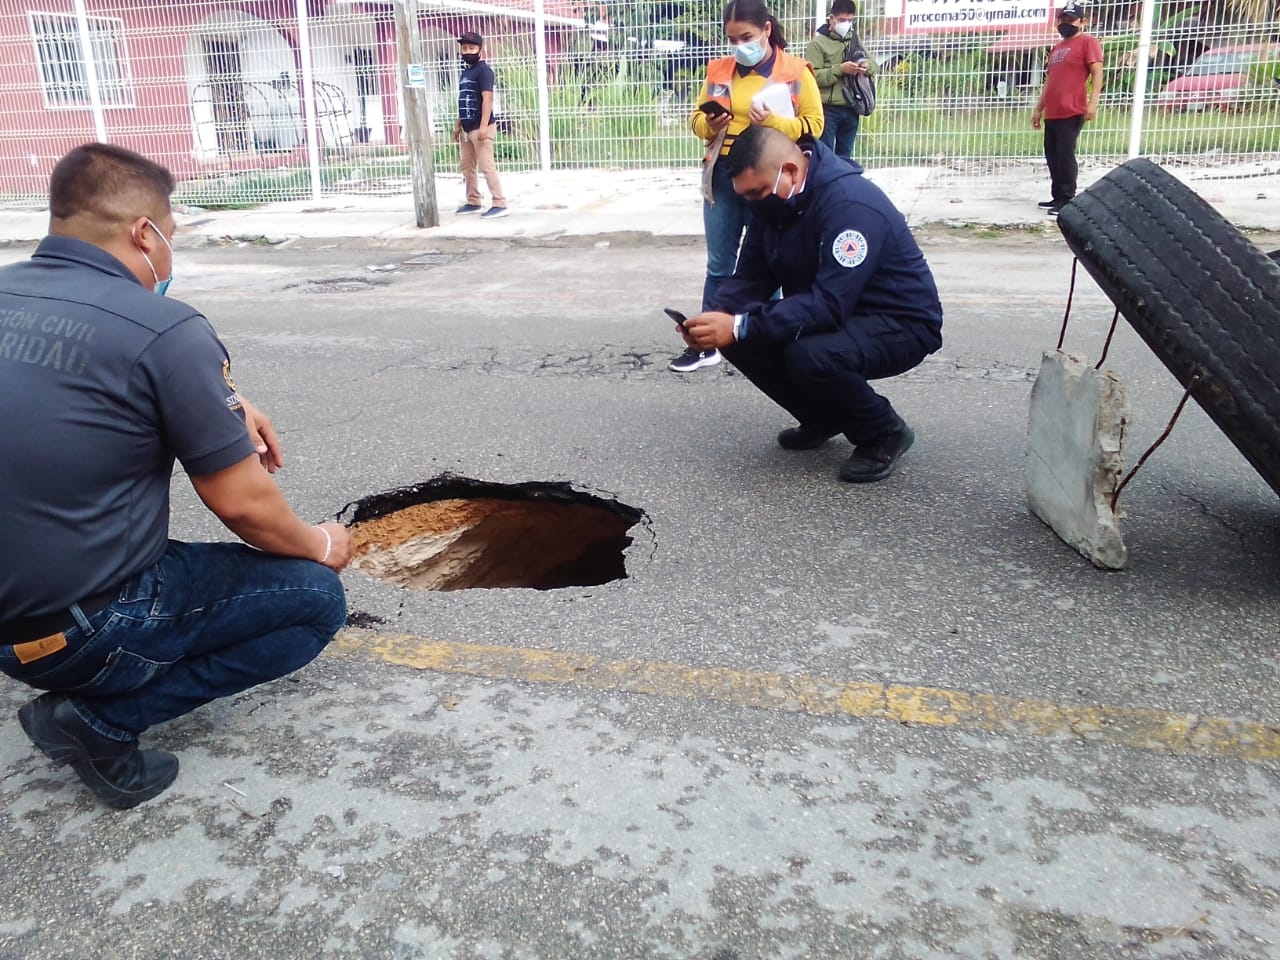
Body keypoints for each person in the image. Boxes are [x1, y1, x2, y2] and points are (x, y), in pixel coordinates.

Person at [0, 143, 354, 809]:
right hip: (79, 632)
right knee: (314, 600)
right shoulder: (163, 328)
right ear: (144, 233)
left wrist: (226, 401)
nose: (169, 257)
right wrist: (321, 545)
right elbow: (243, 503)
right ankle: (99, 723)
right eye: (170, 238)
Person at [678, 126, 943, 483]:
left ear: (789, 171)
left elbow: (830, 304)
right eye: (746, 196)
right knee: (736, 338)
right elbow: (752, 276)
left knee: (811, 354)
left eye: (756, 192)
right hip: (836, 311)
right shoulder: (771, 203)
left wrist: (740, 324)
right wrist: (716, 318)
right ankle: (824, 416)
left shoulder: (850, 205)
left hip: (899, 323)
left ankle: (884, 432)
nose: (751, 203)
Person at [672, 0, 824, 374]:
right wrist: (711, 124)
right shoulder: (720, 70)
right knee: (720, 263)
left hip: (768, 177)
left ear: (767, 30)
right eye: (732, 39)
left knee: (770, 262)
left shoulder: (795, 71)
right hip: (724, 174)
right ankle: (707, 343)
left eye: (747, 37)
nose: (740, 46)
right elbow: (695, 119)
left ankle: (764, 335)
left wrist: (774, 122)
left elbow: (815, 126)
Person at [1031, 2, 1103, 217]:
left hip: (1072, 109)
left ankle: (1068, 199)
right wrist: (1038, 109)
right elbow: (1050, 81)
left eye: (1070, 20)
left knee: (1064, 155)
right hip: (1053, 111)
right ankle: (1057, 196)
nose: (1065, 24)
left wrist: (1093, 102)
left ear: (1083, 21)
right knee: (1052, 155)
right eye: (1063, 19)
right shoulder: (1058, 47)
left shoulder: (1088, 42)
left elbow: (1097, 73)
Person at [804, 0, 872, 159]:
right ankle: (825, 184)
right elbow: (812, 78)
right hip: (828, 109)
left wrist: (866, 66)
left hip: (851, 107)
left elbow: (874, 65)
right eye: (842, 20)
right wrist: (840, 69)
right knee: (825, 157)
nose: (846, 24)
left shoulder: (854, 41)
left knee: (845, 157)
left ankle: (844, 183)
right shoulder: (817, 44)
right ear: (831, 18)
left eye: (850, 20)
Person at [453, 30, 508, 219]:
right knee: (467, 167)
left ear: (480, 50)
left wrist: (484, 126)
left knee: (487, 166)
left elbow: (487, 99)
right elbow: (465, 99)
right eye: (464, 48)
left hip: (481, 128)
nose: (467, 51)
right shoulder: (465, 73)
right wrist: (458, 125)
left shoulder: (484, 71)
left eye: (472, 48)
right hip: (467, 128)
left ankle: (500, 203)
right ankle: (473, 201)